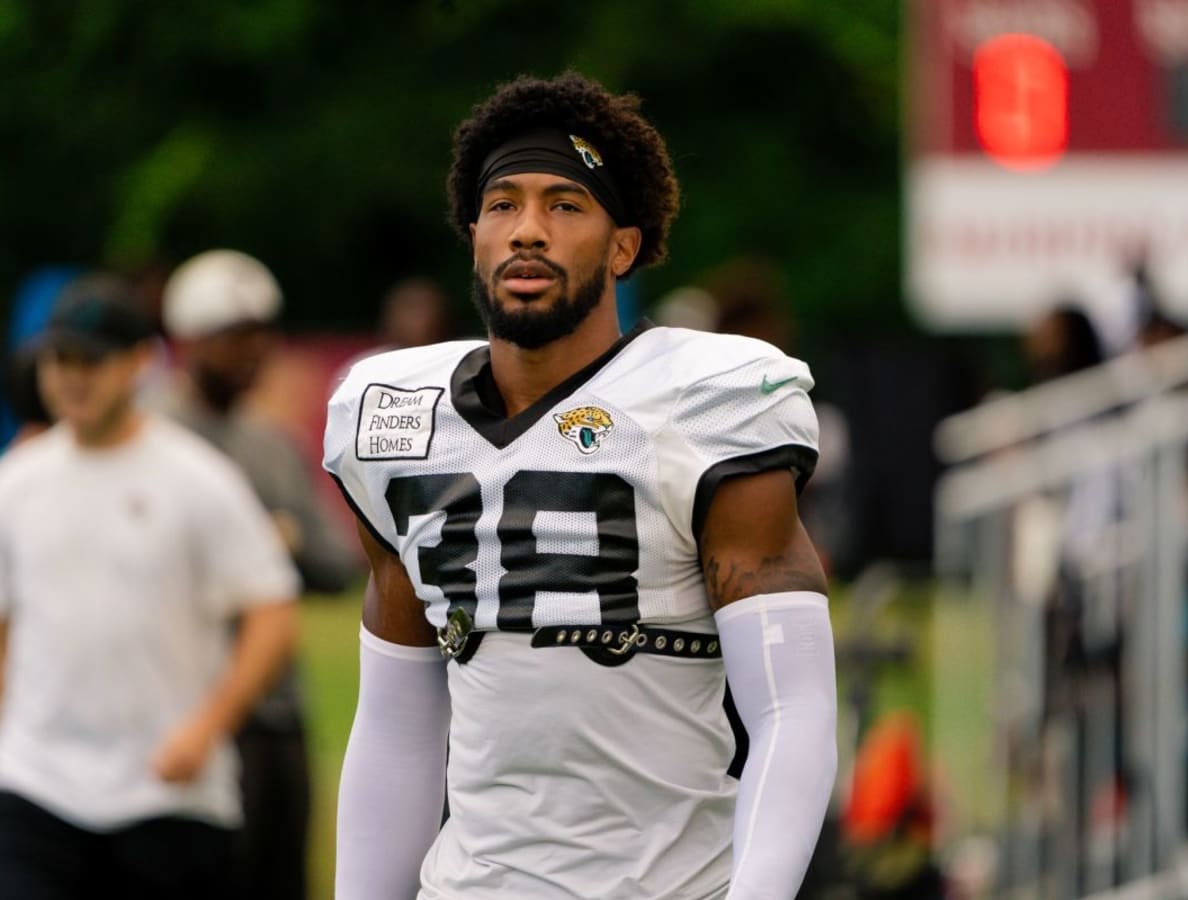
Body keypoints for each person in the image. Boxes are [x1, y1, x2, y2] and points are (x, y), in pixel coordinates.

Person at [325, 72, 838, 899]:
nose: (529, 230)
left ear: (623, 246)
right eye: (504, 204)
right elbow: (397, 724)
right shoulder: (397, 422)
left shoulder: (708, 404)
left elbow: (794, 707)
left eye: (565, 205)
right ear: (473, 233)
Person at [0, 280, 299, 898]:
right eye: (59, 361)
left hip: (167, 793)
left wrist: (207, 728)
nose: (72, 378)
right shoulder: (17, 481)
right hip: (36, 787)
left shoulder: (198, 480)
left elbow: (271, 610)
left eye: (91, 360)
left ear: (140, 361)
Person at [157, 248, 361, 900]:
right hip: (191, 707)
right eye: (232, 338)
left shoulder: (271, 443)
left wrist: (282, 542)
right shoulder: (156, 438)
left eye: (258, 336)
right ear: (188, 343)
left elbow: (338, 566)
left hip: (280, 711)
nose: (251, 352)